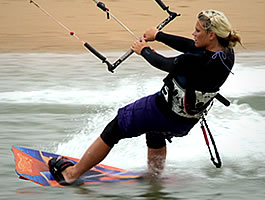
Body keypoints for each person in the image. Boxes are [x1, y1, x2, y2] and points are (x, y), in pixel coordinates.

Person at [49, 9, 241, 185]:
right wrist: (159, 36)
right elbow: (192, 45)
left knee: (115, 128)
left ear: (211, 35)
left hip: (160, 110)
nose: (193, 33)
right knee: (155, 133)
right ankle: (155, 179)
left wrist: (144, 50)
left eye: (197, 30)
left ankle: (72, 174)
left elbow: (167, 63)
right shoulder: (227, 54)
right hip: (184, 121)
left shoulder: (195, 60)